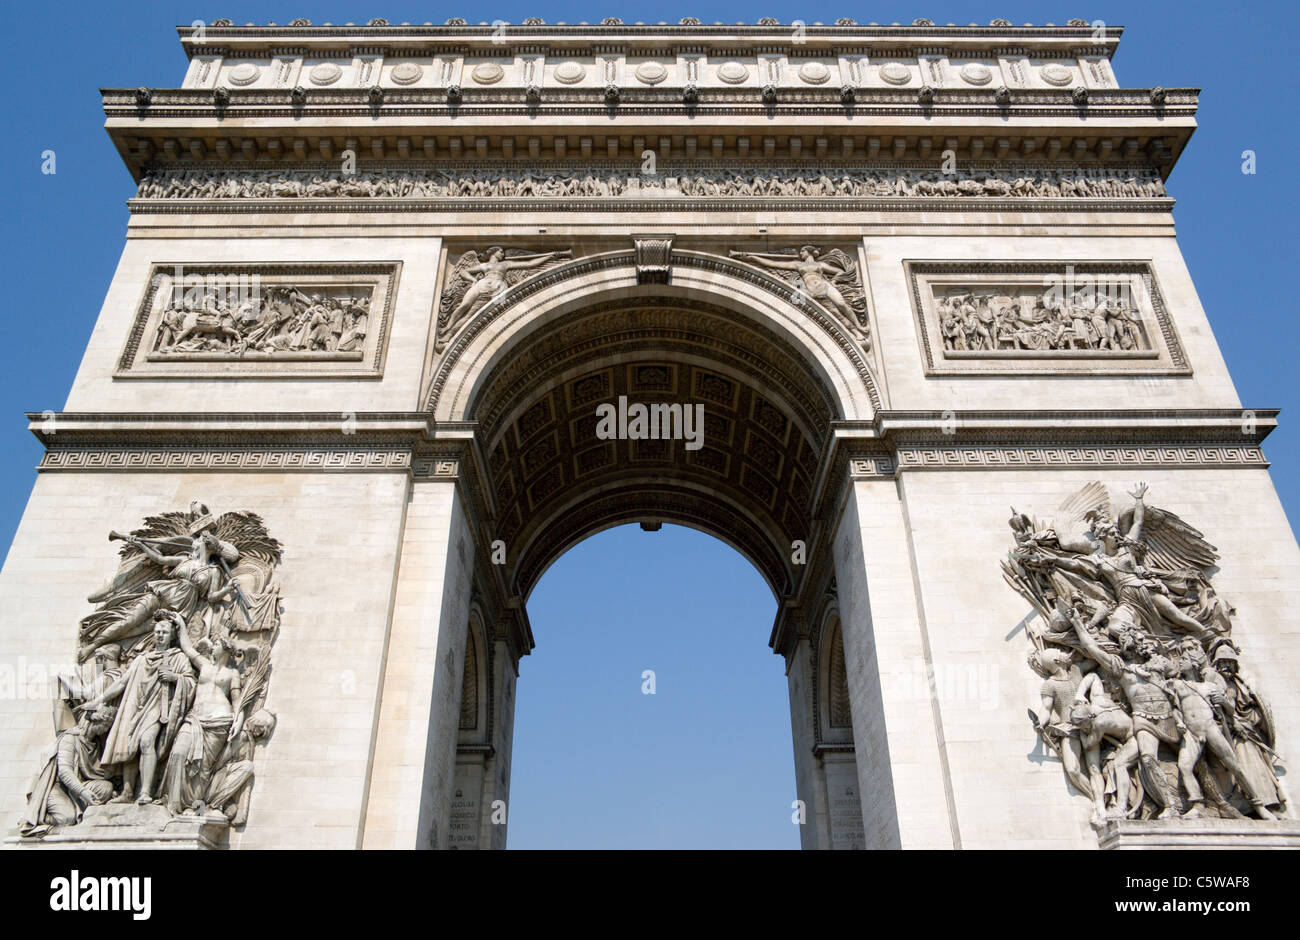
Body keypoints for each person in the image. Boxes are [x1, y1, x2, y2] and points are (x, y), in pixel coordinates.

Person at [78, 610, 197, 804]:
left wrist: (175, 678)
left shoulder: (177, 658)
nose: (160, 635)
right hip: (136, 706)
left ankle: (145, 791)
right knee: (129, 746)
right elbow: (121, 683)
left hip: (158, 707)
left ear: (172, 636)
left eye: (164, 632)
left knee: (146, 741)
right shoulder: (141, 659)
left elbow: (191, 682)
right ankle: (127, 792)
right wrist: (98, 700)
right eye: (157, 631)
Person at [162, 627, 242, 815]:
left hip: (219, 721)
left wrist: (239, 722)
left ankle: (193, 806)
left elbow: (237, 701)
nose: (212, 648)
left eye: (215, 645)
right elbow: (188, 648)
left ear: (225, 648)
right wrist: (180, 624)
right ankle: (172, 804)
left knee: (202, 767)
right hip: (195, 718)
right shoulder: (204, 665)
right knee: (178, 753)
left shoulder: (233, 673)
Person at [20, 707, 117, 834]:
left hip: (77, 787)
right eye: (105, 726)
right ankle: (42, 819)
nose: (105, 730)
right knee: (66, 818)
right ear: (95, 721)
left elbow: (94, 773)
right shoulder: (70, 739)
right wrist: (83, 792)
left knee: (106, 787)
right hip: (58, 787)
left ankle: (82, 811)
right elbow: (65, 772)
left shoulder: (96, 744)